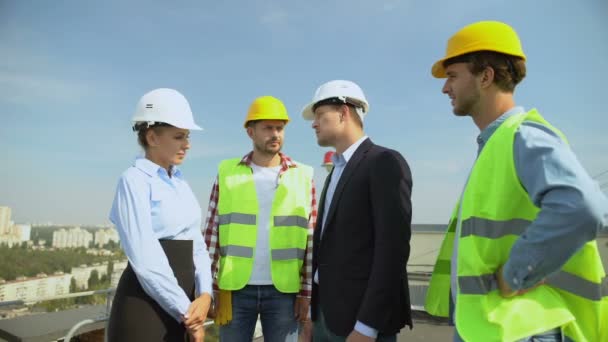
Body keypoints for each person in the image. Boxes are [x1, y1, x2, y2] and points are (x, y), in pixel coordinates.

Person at [425, 21, 608, 342]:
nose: (445, 88)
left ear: (485, 76)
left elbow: (583, 207)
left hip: (521, 329)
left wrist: (514, 275)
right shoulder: (495, 145)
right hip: (493, 327)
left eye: (452, 76)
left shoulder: (522, 135)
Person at [302, 80, 413, 341]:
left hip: (359, 324)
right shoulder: (335, 172)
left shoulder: (384, 162)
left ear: (343, 113)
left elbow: (392, 251)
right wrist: (311, 316)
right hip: (325, 317)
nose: (313, 123)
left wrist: (367, 327)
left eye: (320, 115)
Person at [203, 95, 317, 341]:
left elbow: (311, 239)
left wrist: (306, 294)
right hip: (234, 290)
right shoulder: (227, 172)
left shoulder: (303, 176)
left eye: (280, 128)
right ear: (250, 132)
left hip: (285, 293)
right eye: (268, 128)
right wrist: (208, 290)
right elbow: (211, 234)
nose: (275, 134)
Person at [108, 88, 213, 342]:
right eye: (179, 136)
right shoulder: (133, 181)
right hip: (146, 309)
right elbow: (146, 259)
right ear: (152, 137)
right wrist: (187, 312)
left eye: (187, 136)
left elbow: (196, 243)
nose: (187, 144)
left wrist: (205, 294)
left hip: (184, 309)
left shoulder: (180, 182)